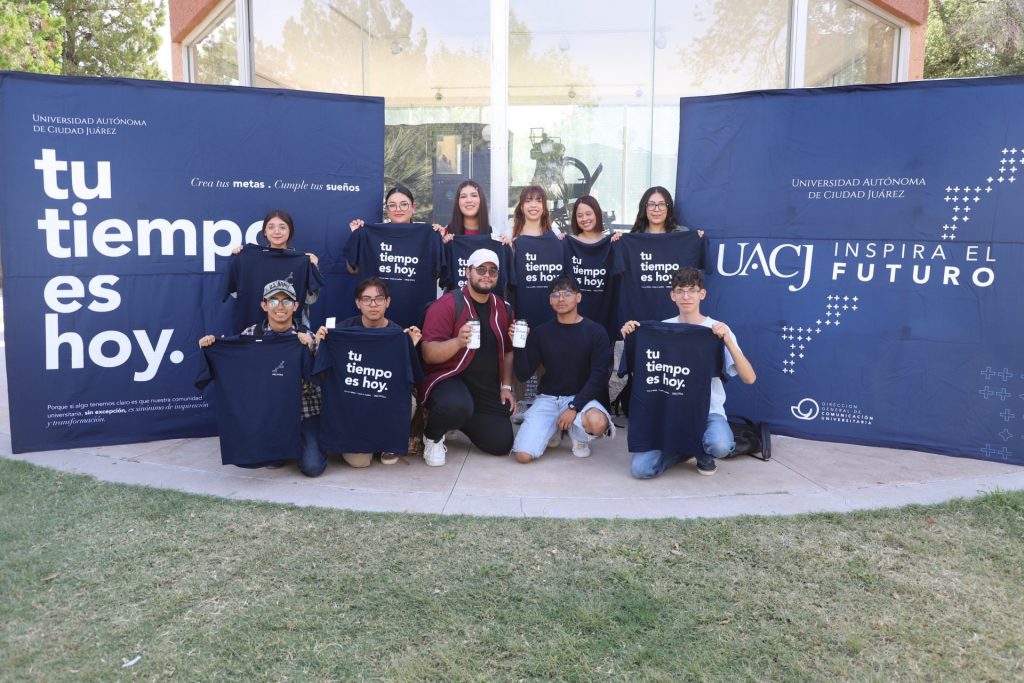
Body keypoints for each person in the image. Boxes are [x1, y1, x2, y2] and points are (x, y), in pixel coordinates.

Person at [620, 267, 756, 477]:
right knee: (641, 470)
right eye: (680, 291)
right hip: (667, 412)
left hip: (707, 413)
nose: (686, 296)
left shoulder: (716, 330)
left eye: (692, 290)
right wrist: (632, 338)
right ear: (672, 295)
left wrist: (728, 340)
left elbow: (749, 378)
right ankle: (689, 451)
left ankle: (703, 452)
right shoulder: (661, 330)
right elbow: (642, 377)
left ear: (702, 294)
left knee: (720, 445)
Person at [199, 280, 325, 477]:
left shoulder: (307, 337)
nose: (280, 307)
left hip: (304, 412)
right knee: (270, 459)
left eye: (286, 301)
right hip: (270, 413)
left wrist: (311, 350)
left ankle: (299, 445)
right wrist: (214, 347)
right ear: (264, 305)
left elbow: (322, 378)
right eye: (273, 301)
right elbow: (237, 372)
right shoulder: (250, 335)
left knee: (313, 467)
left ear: (295, 306)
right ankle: (282, 448)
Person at [419, 248, 516, 465]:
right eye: (481, 269)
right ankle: (432, 436)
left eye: (492, 270)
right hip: (449, 380)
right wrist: (458, 342)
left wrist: (506, 387)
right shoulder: (447, 304)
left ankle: (456, 419)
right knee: (456, 405)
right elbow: (428, 354)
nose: (487, 275)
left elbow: (508, 351)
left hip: (484, 388)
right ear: (467, 271)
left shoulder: (503, 308)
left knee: (501, 444)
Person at [314, 277, 422, 467]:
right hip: (354, 405)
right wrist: (319, 344)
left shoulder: (397, 334)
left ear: (388, 302)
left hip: (384, 400)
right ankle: (371, 438)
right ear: (358, 303)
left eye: (379, 299)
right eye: (366, 299)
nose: (373, 304)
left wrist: (409, 348)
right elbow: (324, 373)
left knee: (408, 400)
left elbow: (407, 380)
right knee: (359, 462)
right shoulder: (342, 331)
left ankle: (390, 441)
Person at [511, 276, 614, 463]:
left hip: (582, 398)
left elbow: (599, 376)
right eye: (555, 294)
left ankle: (580, 437)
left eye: (567, 293)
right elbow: (523, 374)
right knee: (523, 456)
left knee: (597, 423)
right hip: (549, 398)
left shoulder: (595, 331)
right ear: (550, 300)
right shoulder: (541, 332)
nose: (561, 299)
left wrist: (574, 407)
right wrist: (518, 345)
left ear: (578, 297)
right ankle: (554, 427)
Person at [630, 186, 698, 234]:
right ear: (644, 208)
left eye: (662, 204)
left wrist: (698, 238)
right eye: (651, 204)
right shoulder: (635, 237)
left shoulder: (682, 234)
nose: (656, 209)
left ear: (668, 208)